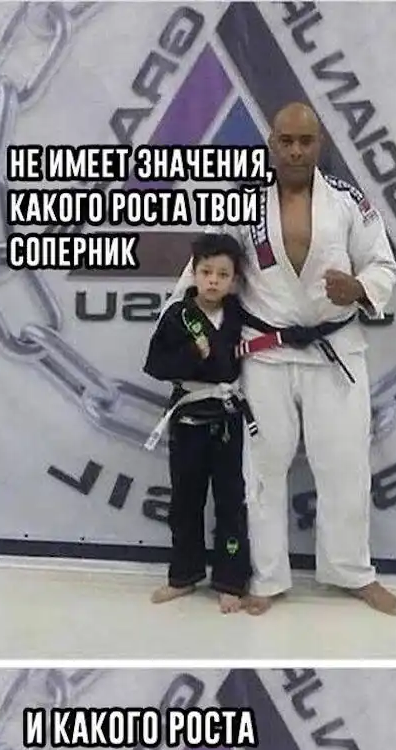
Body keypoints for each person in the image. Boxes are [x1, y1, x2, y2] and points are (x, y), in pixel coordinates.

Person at [161, 102, 396, 617]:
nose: (295, 150)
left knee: (345, 466)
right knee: (262, 471)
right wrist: (179, 325)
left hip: (334, 351)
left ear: (320, 144)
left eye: (305, 141)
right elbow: (206, 266)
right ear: (271, 144)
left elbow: (383, 263)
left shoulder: (348, 201)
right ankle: (268, 577)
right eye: (286, 141)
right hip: (264, 354)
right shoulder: (244, 202)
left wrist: (359, 287)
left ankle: (353, 571)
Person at [143, 234, 251, 613]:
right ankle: (183, 576)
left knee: (231, 502)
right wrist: (193, 352)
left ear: (234, 279)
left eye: (222, 274)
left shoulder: (240, 314)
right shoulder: (178, 315)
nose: (213, 281)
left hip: (228, 418)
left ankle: (230, 581)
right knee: (185, 502)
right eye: (206, 272)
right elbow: (155, 365)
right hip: (188, 418)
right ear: (194, 273)